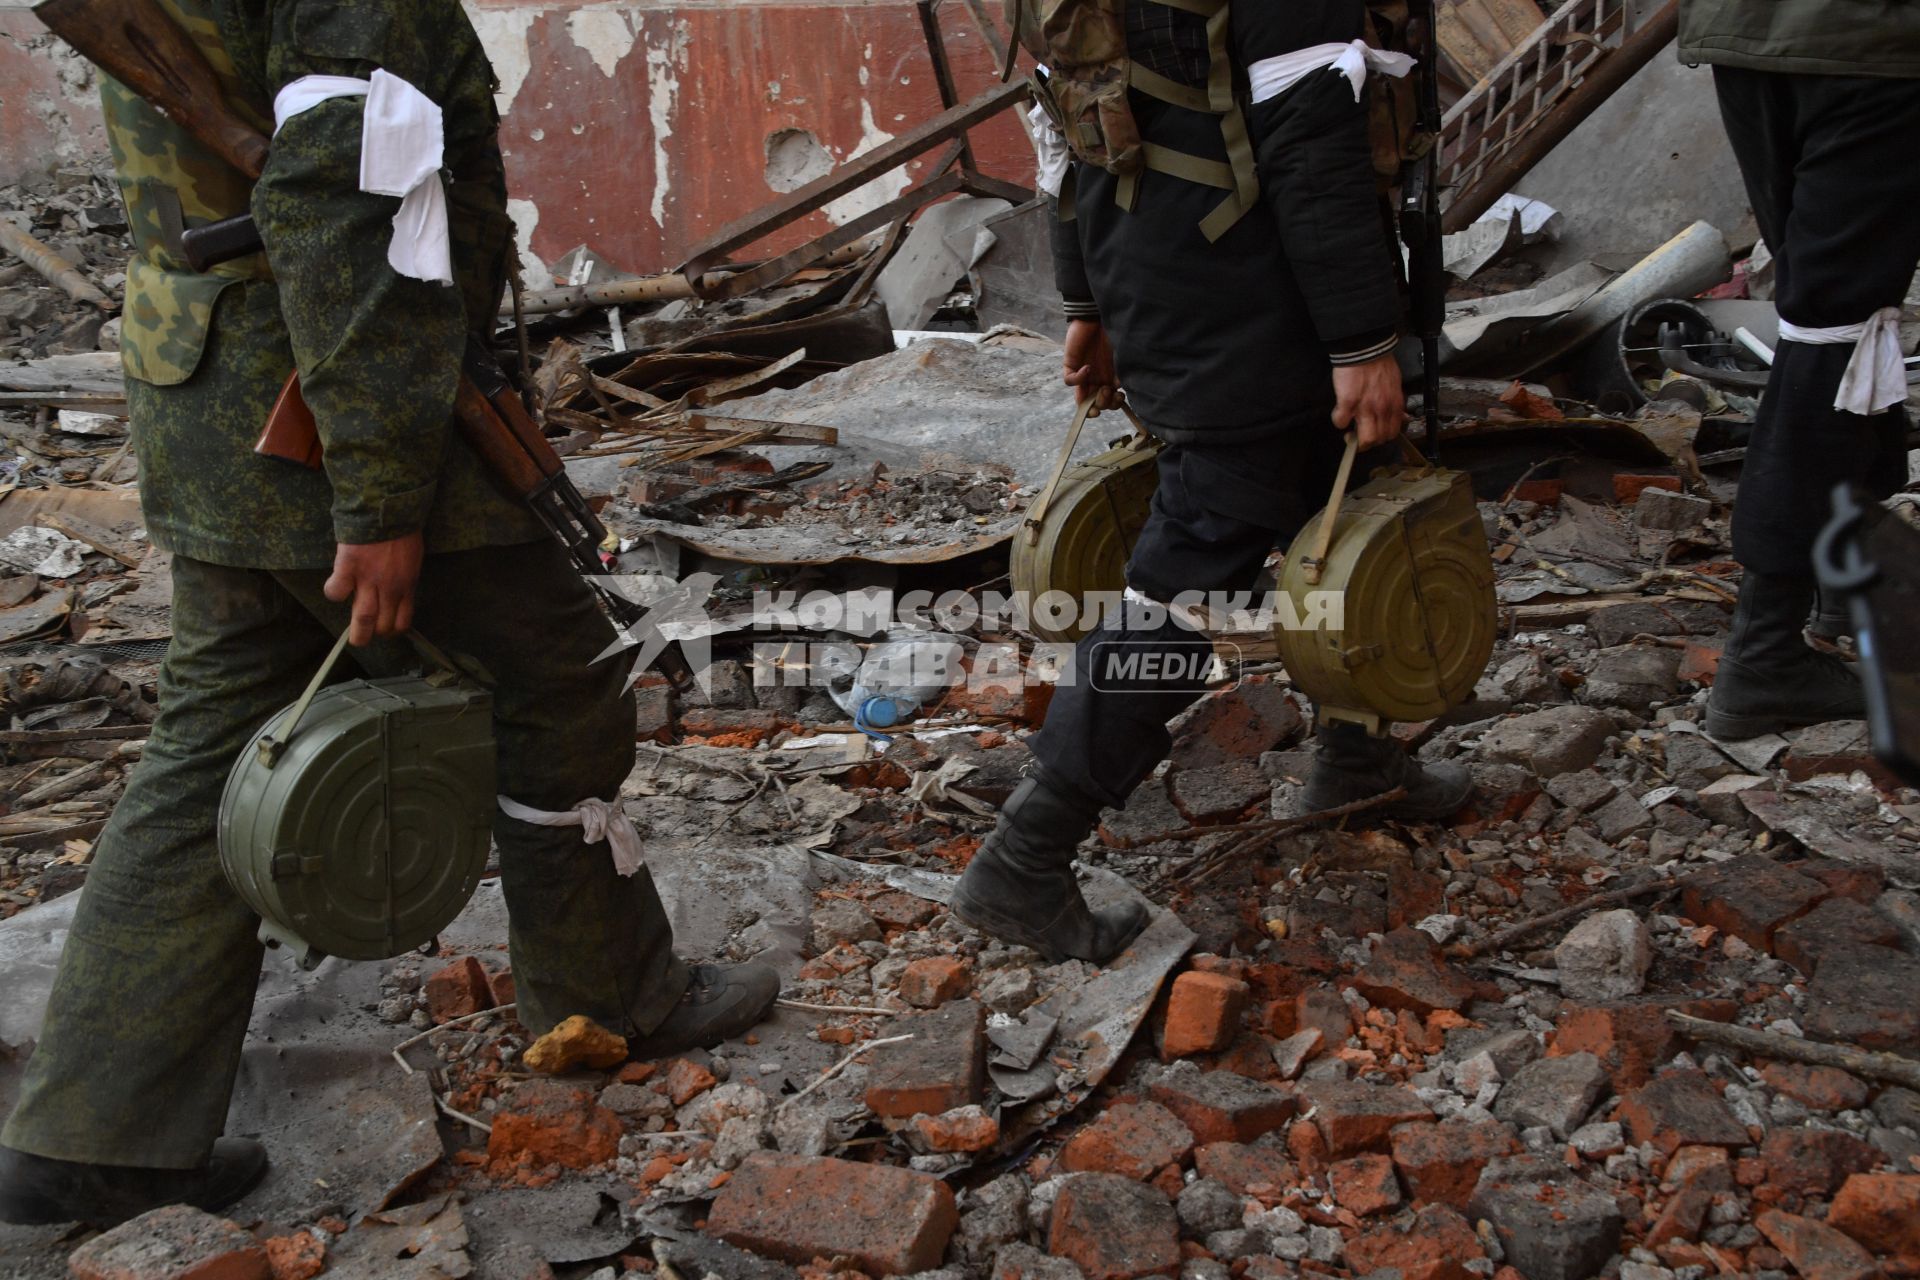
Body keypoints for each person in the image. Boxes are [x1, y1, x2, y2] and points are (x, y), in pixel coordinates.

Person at [0, 0, 775, 1228]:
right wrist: (377, 492)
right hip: (323, 412)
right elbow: (339, 203)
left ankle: (98, 1131)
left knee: (210, 734)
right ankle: (608, 996)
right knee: (563, 682)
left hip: (210, 401)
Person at [953, 0, 1473, 965]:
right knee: (1195, 566)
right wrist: (1363, 339)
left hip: (1158, 264)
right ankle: (1027, 856)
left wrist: (1085, 297)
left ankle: (1357, 756)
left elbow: (1061, 127)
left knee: (1352, 494)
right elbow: (1312, 145)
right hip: (1248, 287)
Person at [1681, 1, 1920, 740]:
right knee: (1838, 330)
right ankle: (1765, 651)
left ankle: (1841, 583)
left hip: (1751, 31)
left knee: (1830, 317)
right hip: (1870, 41)